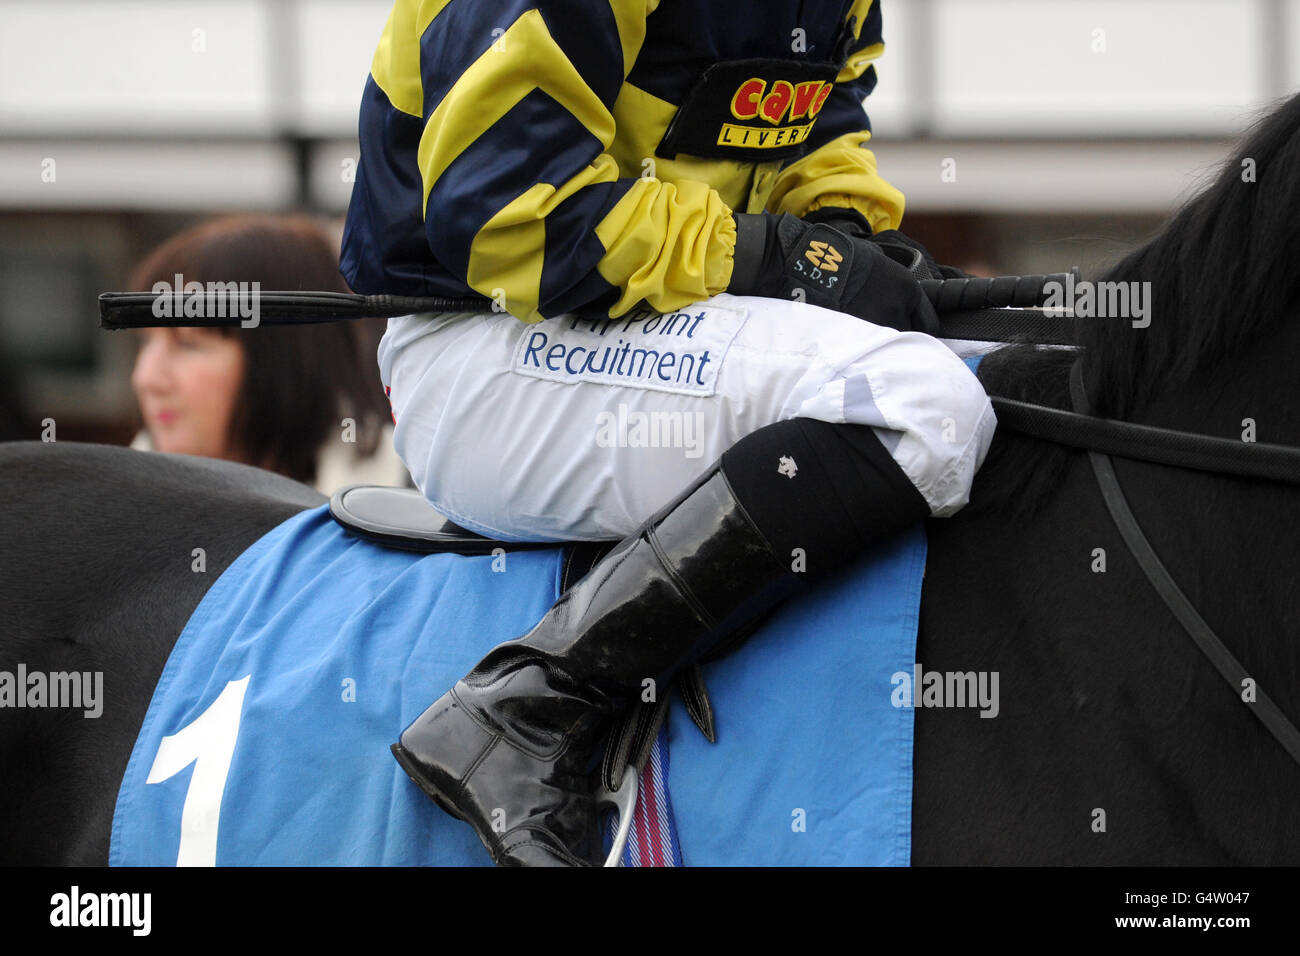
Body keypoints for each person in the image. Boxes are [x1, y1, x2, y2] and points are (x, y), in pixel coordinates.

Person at [341, 0, 995, 865]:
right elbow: (513, 222)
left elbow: (813, 132)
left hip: (673, 316)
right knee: (923, 404)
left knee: (1005, 381)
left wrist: (843, 239)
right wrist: (768, 257)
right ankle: (528, 710)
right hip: (486, 342)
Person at [129, 214, 408, 492]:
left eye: (189, 344)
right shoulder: (122, 506)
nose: (147, 378)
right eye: (145, 342)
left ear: (287, 357)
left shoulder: (416, 512)